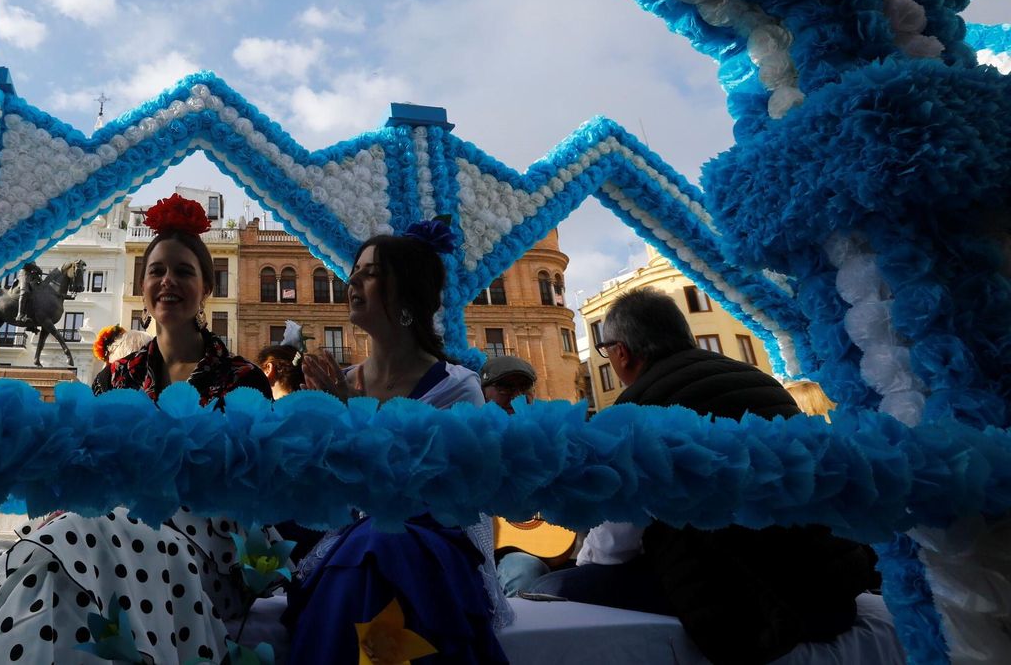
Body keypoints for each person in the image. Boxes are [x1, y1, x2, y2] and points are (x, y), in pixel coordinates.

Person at [0, 195, 274, 664]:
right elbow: (84, 470)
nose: (168, 282)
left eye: (183, 271)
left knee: (71, 546)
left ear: (206, 289)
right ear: (142, 286)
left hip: (206, 555)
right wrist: (39, 539)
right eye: (157, 271)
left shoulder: (241, 379)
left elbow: (248, 488)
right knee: (61, 565)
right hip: (103, 539)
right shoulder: (117, 377)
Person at [531, 286, 875, 665]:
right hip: (828, 583)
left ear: (621, 352)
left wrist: (584, 559)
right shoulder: (757, 379)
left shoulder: (634, 410)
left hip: (746, 605)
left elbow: (615, 545)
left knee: (549, 587)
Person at [287, 220, 511, 664]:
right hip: (351, 542)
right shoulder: (343, 383)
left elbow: (433, 489)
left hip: (428, 548)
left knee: (382, 542)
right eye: (355, 271)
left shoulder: (457, 388)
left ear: (407, 294)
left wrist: (351, 413)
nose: (353, 281)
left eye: (370, 273)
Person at [478, 355, 563, 597]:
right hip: (475, 552)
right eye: (505, 387)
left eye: (523, 387)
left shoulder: (547, 441)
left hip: (529, 550)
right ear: (483, 392)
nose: (516, 396)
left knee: (525, 569)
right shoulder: (470, 440)